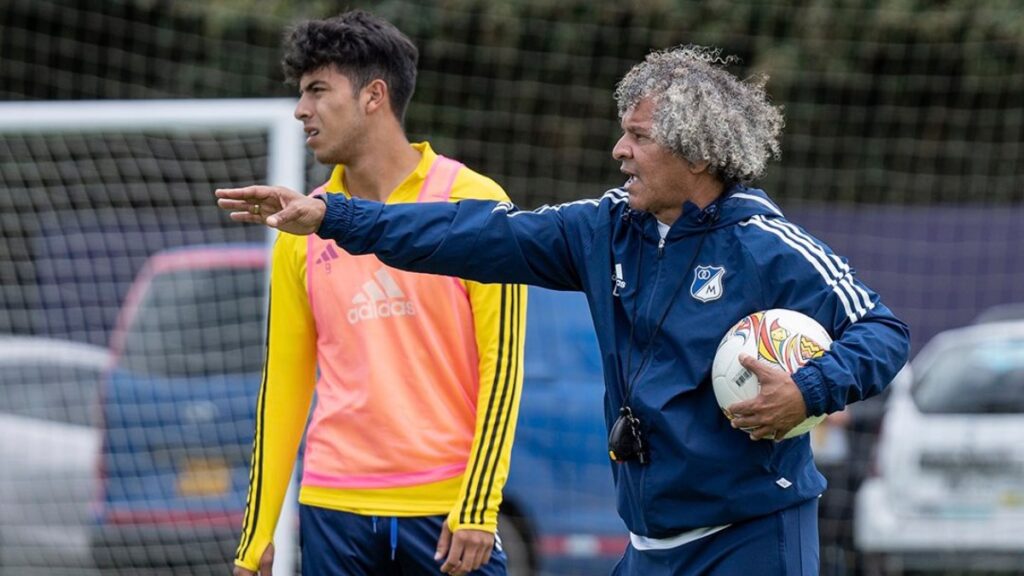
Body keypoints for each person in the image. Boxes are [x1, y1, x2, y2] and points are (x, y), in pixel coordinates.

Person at [218, 45, 910, 575]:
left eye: (638, 136)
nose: (619, 151)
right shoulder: (603, 228)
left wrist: (808, 390)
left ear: (697, 150)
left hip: (754, 537)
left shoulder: (767, 247)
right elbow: (475, 234)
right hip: (650, 543)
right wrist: (336, 216)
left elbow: (882, 330)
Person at [228, 11, 525, 576]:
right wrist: (258, 532)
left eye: (318, 90)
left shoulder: (474, 200)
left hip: (445, 512)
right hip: (332, 508)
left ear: (374, 96)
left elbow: (503, 366)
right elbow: (285, 383)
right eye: (300, 93)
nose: (300, 110)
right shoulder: (300, 224)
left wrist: (479, 504)